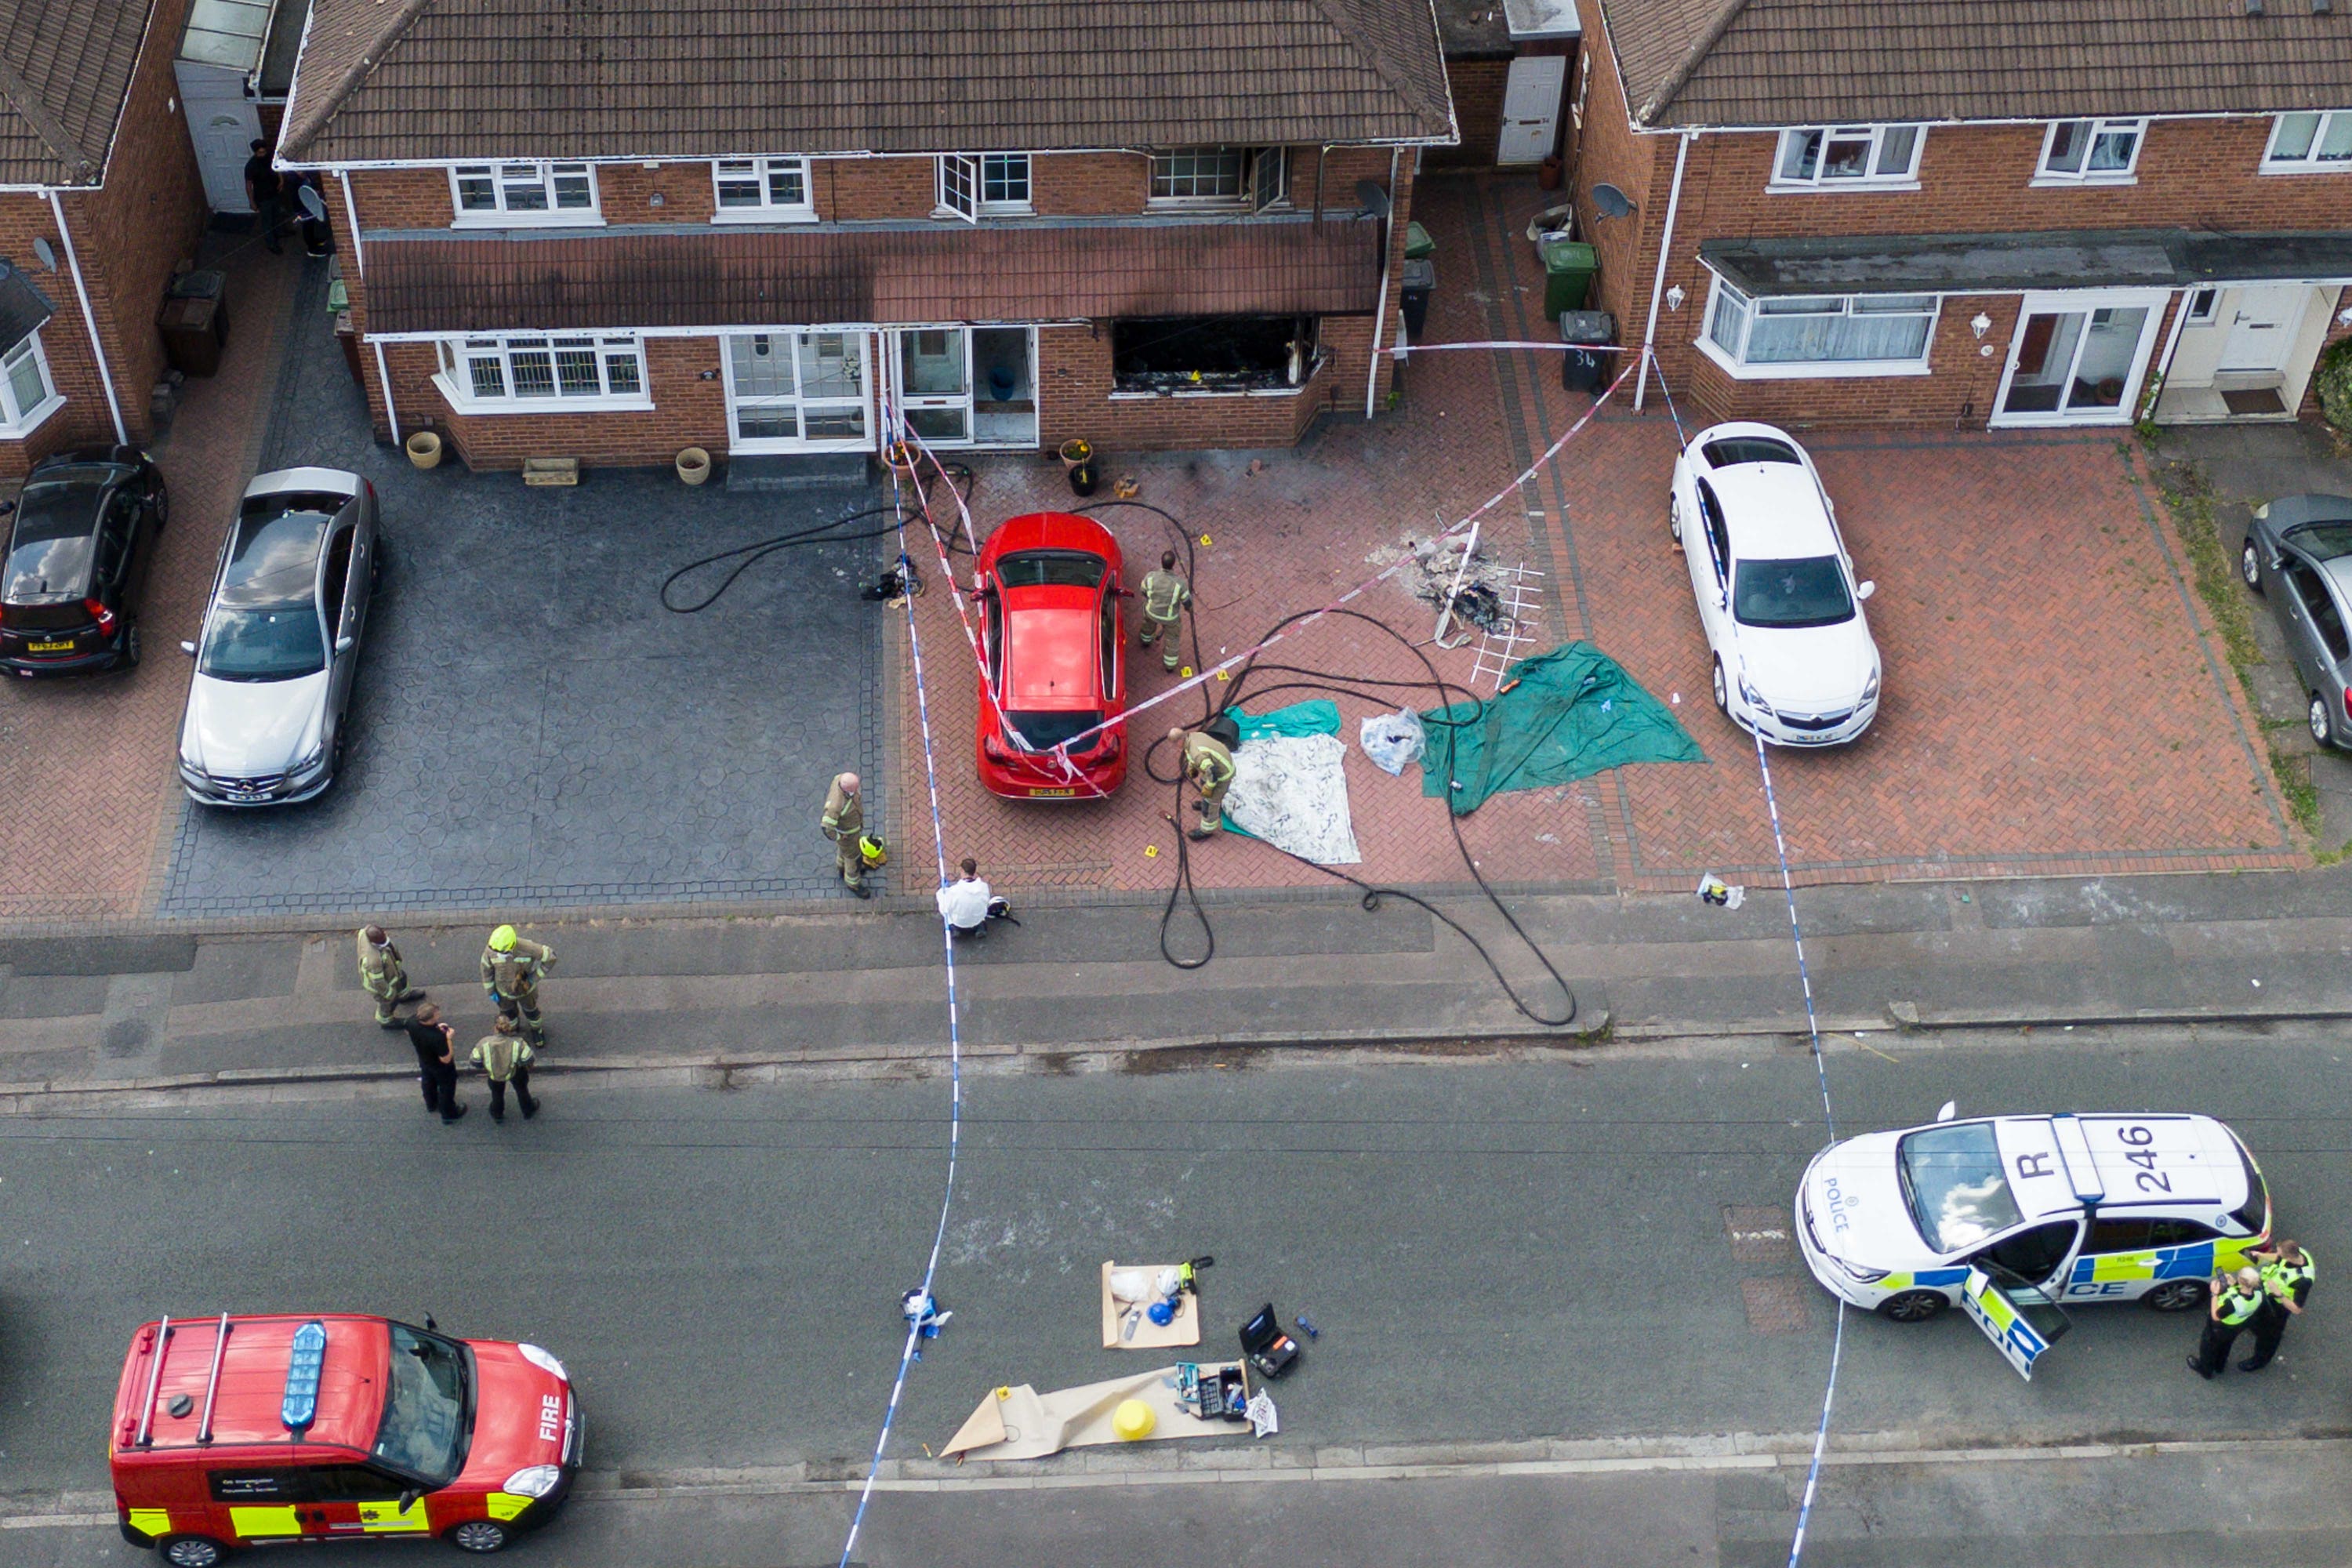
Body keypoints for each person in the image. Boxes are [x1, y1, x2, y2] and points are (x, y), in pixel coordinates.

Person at [2241, 1240, 2315, 1371]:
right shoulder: (2298, 1252)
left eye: (2279, 1252)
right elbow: (2277, 1257)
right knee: (2257, 1319)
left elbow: (2297, 1309)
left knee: (2269, 1336)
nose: (2277, 1254)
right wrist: (2261, 1255)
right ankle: (2258, 1329)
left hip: (2279, 1307)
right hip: (2268, 1294)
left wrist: (2279, 1294)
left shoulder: (2303, 1280)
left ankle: (2259, 1361)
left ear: (2289, 1257)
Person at [480, 924, 555, 1043]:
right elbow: (486, 971)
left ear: (511, 947)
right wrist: (491, 991)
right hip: (503, 993)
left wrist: (534, 978)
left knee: (532, 1013)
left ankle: (537, 1030)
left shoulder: (528, 948)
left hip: (526, 991)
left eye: (502, 953)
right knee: (509, 1014)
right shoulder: (492, 949)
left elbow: (551, 957)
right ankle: (513, 1029)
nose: (497, 955)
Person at [2189, 1266, 2267, 1378]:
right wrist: (2234, 1283)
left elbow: (2216, 1316)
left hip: (2221, 1328)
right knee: (2226, 1346)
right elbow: (2245, 1293)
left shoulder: (2233, 1303)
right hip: (2238, 1326)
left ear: (2241, 1281)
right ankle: (2220, 1366)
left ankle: (2205, 1370)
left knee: (2208, 1348)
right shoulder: (2259, 1293)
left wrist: (2214, 1294)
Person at [399, 1003, 466, 1123]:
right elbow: (446, 1059)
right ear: (431, 1018)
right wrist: (448, 1039)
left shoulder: (411, 1021)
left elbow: (408, 1031)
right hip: (441, 1067)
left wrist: (435, 1027)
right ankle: (448, 1113)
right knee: (446, 1089)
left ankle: (431, 1104)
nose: (439, 1015)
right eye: (437, 1015)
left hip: (425, 1059)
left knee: (428, 1081)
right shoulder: (437, 1038)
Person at [469, 1014, 539, 1123]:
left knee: (497, 1094)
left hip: (494, 1074)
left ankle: (497, 1114)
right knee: (522, 1090)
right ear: (510, 1028)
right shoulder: (518, 1043)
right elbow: (528, 1059)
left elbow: (475, 1060)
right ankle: (528, 1110)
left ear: (495, 1027)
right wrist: (519, 1064)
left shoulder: (484, 1043)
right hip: (515, 1072)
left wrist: (487, 1066)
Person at [1171, 725, 1235, 839]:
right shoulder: (1194, 737)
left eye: (1175, 744)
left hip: (1222, 775)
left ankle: (1206, 831)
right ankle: (1209, 802)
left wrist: (1209, 788)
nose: (1175, 747)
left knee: (1210, 803)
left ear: (1180, 740)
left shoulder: (1197, 753)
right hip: (1220, 766)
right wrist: (1193, 767)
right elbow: (1196, 757)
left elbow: (1213, 774)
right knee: (1203, 782)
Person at [355, 924, 424, 1027]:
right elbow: (378, 982)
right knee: (387, 1003)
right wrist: (389, 994)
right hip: (383, 986)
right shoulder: (373, 962)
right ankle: (386, 1020)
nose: (386, 938)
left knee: (402, 981)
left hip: (392, 972)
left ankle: (404, 996)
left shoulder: (367, 933)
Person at [1137, 550, 1191, 673]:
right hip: (1170, 618)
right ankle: (1169, 666)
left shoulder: (1150, 577)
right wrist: (1189, 610)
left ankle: (1145, 641)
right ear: (1173, 565)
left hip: (1151, 612)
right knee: (1172, 640)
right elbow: (1187, 602)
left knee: (1148, 626)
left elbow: (1143, 591)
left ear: (1161, 562)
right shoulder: (1179, 584)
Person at [823, 771, 871, 898]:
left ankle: (841, 867)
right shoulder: (835, 806)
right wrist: (839, 837)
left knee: (843, 851)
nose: (857, 790)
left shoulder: (839, 779)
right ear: (846, 789)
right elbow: (827, 828)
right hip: (848, 835)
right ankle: (853, 883)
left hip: (851, 832)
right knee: (853, 858)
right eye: (854, 789)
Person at [243, 140, 284, 254]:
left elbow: (277, 167)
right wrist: (252, 202)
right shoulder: (251, 166)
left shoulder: (270, 156)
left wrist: (281, 180)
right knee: (267, 221)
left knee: (277, 214)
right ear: (255, 152)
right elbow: (248, 185)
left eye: (264, 152)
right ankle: (271, 244)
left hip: (275, 192)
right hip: (263, 198)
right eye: (260, 153)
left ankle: (280, 232)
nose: (263, 155)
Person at [936, 857, 993, 936]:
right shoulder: (983, 887)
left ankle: (954, 928)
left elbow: (944, 908)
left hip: (959, 921)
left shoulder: (954, 891)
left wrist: (943, 890)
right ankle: (980, 927)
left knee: (947, 910)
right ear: (974, 871)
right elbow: (986, 902)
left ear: (962, 870)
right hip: (977, 919)